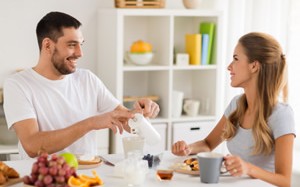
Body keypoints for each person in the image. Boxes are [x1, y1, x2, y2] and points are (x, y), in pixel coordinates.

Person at [3, 11, 159, 159]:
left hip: (87, 178)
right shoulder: (18, 85)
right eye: (71, 45)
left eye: (80, 44)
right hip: (42, 179)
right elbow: (32, 145)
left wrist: (139, 115)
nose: (80, 53)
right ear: (48, 45)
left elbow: (126, 121)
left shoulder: (87, 79)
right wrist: (90, 123)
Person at [172, 32, 296, 187]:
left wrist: (248, 168)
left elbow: (285, 181)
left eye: (236, 59)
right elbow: (208, 144)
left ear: (254, 66)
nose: (229, 66)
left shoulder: (281, 114)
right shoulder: (236, 105)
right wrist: (188, 148)